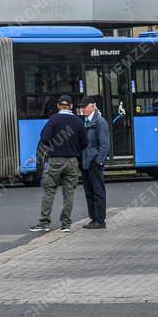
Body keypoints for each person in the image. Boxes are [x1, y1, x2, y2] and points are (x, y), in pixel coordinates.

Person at [32, 95, 87, 233]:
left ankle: (44, 222)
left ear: (58, 106)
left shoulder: (53, 120)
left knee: (49, 190)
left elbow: (44, 138)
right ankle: (66, 224)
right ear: (71, 106)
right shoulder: (78, 122)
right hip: (72, 161)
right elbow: (85, 142)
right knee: (69, 193)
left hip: (55, 160)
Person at [80, 96, 110, 229]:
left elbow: (104, 144)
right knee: (89, 191)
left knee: (98, 191)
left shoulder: (99, 122)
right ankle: (93, 218)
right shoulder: (86, 121)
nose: (82, 110)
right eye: (82, 107)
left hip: (94, 162)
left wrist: (99, 161)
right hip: (86, 162)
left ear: (92, 106)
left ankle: (100, 219)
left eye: (85, 107)